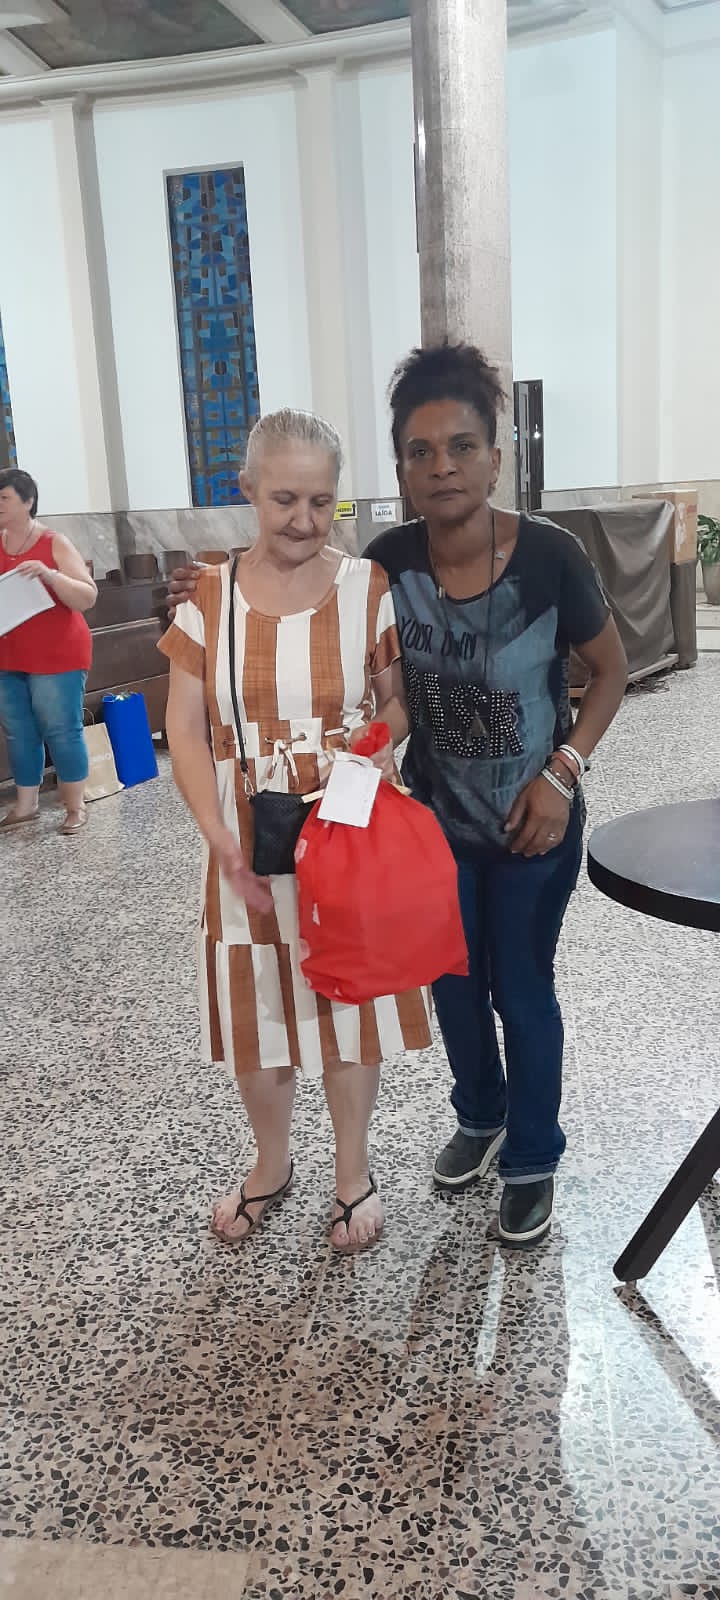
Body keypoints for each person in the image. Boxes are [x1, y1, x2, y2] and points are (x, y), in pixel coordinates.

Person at [168, 343, 627, 1249]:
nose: (442, 466)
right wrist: (210, 583)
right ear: (401, 468)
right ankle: (481, 1115)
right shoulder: (387, 560)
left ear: (496, 457)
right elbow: (299, 606)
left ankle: (532, 1156)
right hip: (431, 826)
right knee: (452, 982)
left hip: (532, 818)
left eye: (462, 447)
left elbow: (607, 672)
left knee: (521, 989)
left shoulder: (548, 556)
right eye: (421, 451)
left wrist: (562, 774)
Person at [158, 409, 431, 1252]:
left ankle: (353, 1172)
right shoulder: (208, 598)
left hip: (344, 830)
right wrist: (217, 835)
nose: (305, 521)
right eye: (284, 500)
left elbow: (397, 700)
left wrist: (371, 750)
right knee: (258, 1012)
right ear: (247, 490)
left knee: (346, 1005)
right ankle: (270, 1163)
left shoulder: (365, 587)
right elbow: (186, 730)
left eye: (322, 502)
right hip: (245, 839)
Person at [0, 468, 97, 836]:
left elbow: (87, 596)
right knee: (18, 731)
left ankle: (74, 806)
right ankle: (26, 806)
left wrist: (48, 574)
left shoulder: (54, 542)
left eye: (4, 498)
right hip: (8, 654)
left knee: (61, 729)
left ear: (28, 502)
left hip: (57, 653)